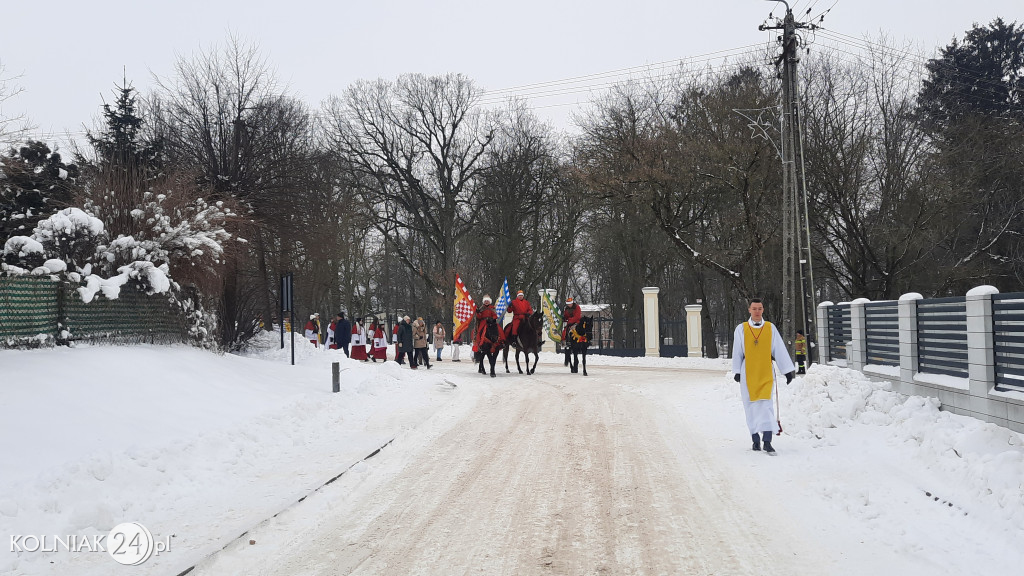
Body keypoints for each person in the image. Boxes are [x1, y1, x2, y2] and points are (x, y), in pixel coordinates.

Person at [731, 298, 796, 455]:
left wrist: (787, 370)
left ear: (763, 310)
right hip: (748, 372)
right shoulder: (741, 329)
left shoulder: (770, 328)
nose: (757, 311)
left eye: (760, 308)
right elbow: (737, 351)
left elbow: (778, 348)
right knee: (751, 407)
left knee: (766, 406)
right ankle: (755, 440)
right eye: (754, 308)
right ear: (749, 310)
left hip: (766, 371)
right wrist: (737, 372)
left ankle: (767, 441)